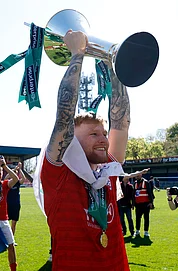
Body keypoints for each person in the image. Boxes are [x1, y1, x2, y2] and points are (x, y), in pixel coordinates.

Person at [39, 30, 130, 270]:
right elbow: (63, 116)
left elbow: (120, 121)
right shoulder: (57, 171)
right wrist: (77, 55)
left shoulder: (107, 168)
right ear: (72, 143)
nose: (103, 139)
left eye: (102, 133)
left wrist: (114, 63)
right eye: (93, 134)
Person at [118, 169, 149, 236]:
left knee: (130, 219)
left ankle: (132, 232)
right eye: (126, 178)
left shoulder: (130, 186)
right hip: (120, 205)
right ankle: (124, 231)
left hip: (128, 205)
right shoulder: (118, 185)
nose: (127, 179)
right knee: (122, 220)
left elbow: (133, 196)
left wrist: (132, 204)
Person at [6, 162, 26, 245]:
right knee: (5, 224)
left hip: (16, 205)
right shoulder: (7, 182)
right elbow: (6, 177)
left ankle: (11, 240)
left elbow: (23, 179)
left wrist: (20, 169)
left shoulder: (17, 183)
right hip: (7, 205)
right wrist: (14, 169)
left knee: (14, 224)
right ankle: (5, 239)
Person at [133, 170, 155, 237]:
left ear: (141, 175)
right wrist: (133, 204)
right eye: (136, 175)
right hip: (138, 204)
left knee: (146, 218)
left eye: (139, 175)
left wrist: (151, 202)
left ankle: (146, 231)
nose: (137, 176)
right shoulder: (135, 183)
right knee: (137, 218)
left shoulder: (146, 182)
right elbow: (133, 194)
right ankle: (137, 231)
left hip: (145, 204)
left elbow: (150, 193)